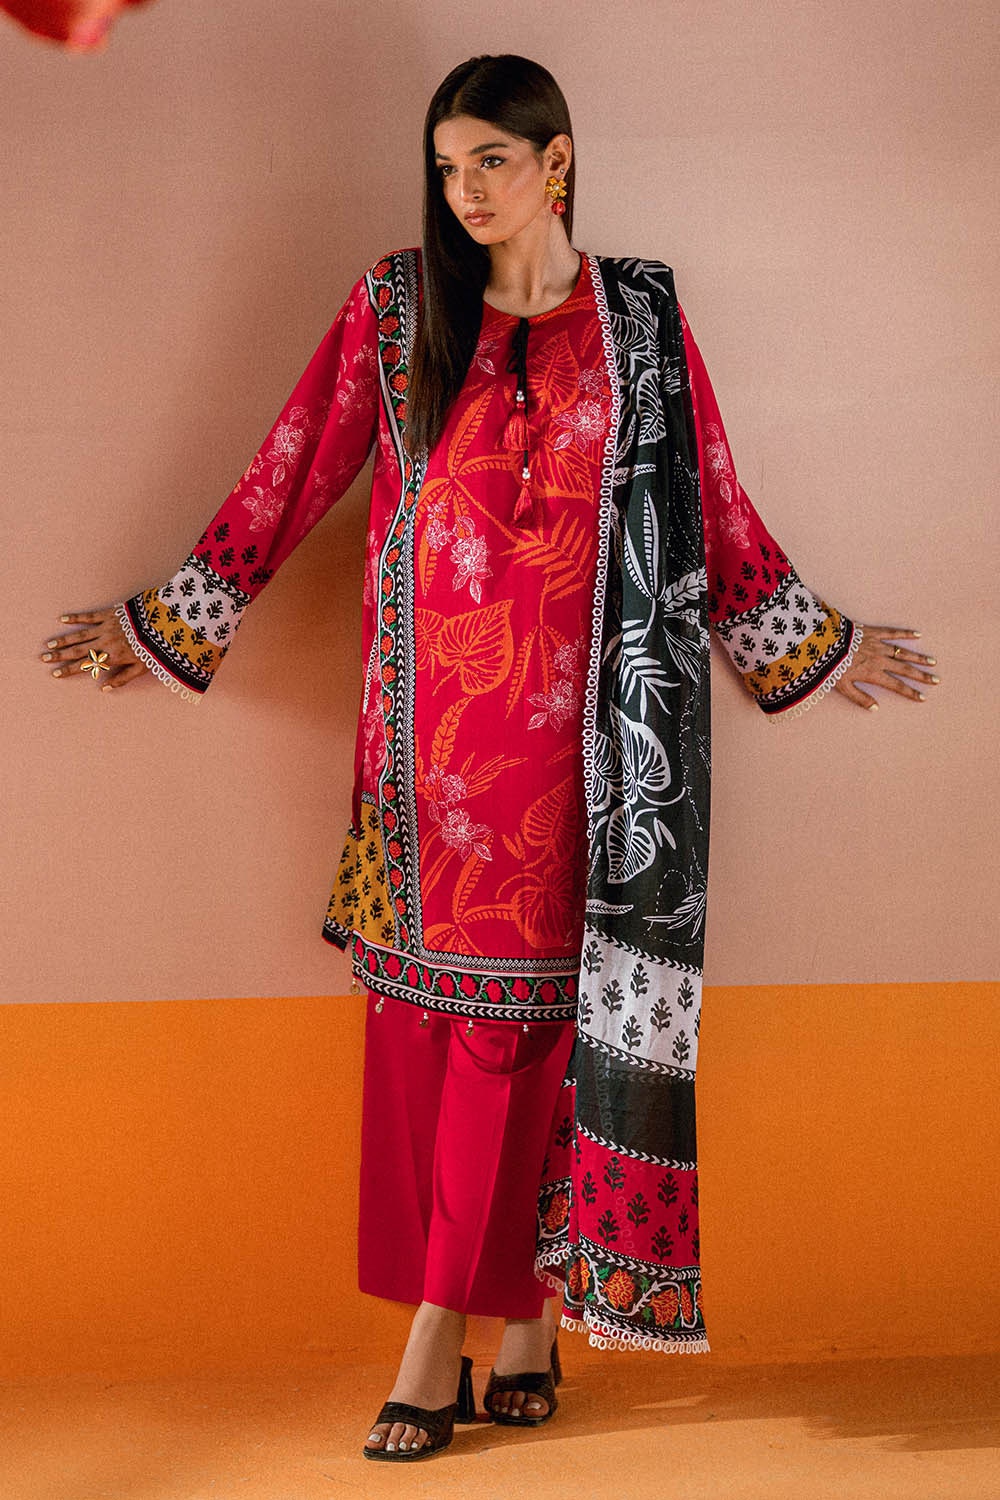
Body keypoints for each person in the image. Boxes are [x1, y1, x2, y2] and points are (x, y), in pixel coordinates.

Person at [40, 54, 938, 1462]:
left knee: (539, 1036)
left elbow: (710, 494)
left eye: (491, 162)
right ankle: (486, 1328)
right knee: (445, 1044)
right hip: (430, 765)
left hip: (597, 758)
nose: (463, 191)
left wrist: (809, 638)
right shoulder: (399, 308)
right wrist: (176, 616)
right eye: (447, 166)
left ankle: (470, 1336)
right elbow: (296, 465)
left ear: (557, 160)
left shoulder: (640, 317)